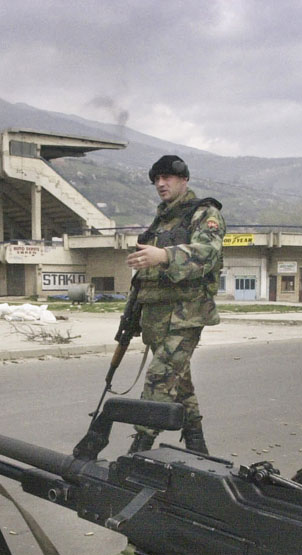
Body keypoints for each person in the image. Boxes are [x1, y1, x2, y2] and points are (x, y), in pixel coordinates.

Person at [125, 154, 225, 454]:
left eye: (167, 177)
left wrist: (166, 256)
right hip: (157, 316)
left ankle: (138, 452)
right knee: (178, 385)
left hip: (186, 315)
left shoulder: (204, 213)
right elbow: (144, 275)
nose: (161, 183)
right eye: (156, 179)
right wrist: (132, 313)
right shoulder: (162, 220)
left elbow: (209, 253)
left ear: (184, 179)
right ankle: (198, 446)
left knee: (159, 381)